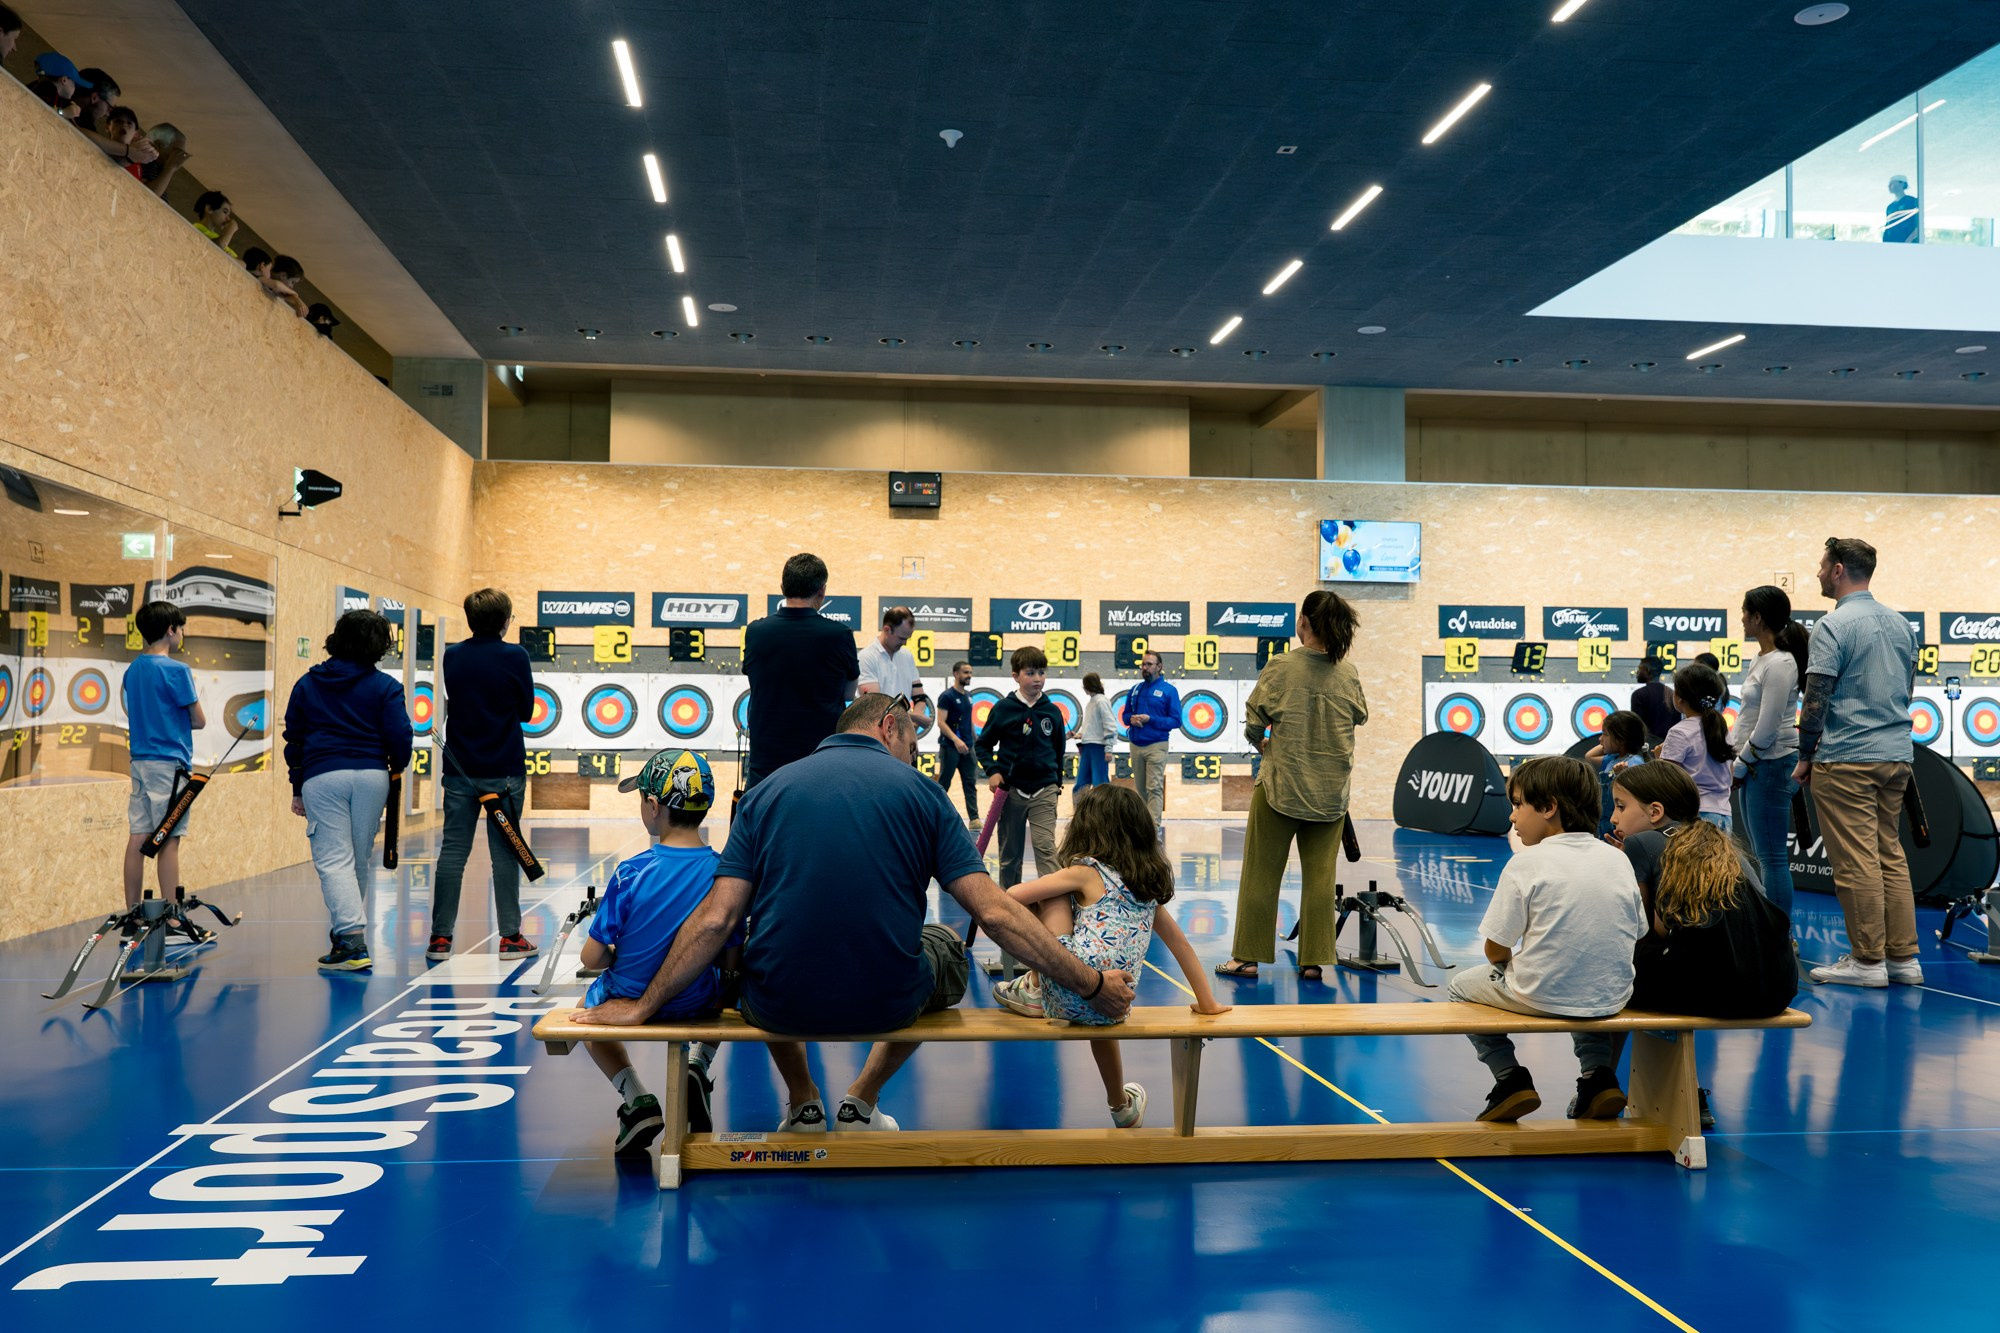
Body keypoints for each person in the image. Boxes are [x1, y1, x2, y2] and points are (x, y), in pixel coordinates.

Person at [574, 693, 1136, 1134]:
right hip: (887, 999)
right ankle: (861, 1100)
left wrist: (643, 1006)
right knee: (941, 944)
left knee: (759, 951)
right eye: (913, 745)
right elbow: (995, 914)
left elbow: (717, 921)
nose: (913, 759)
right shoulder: (923, 795)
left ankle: (802, 1100)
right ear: (888, 726)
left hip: (778, 1002)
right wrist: (1090, 985)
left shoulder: (766, 793)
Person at [991, 784, 1231, 1127]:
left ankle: (1033, 983)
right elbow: (1182, 947)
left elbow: (1013, 896)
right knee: (1101, 1013)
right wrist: (1207, 1003)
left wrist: (1056, 902)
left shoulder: (1086, 872)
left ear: (1088, 830)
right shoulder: (1147, 889)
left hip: (1064, 989)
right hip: (1114, 1004)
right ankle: (1121, 1106)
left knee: (1055, 895)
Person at [1447, 756, 1646, 1123]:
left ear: (1549, 808)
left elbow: (1495, 949)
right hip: (1612, 995)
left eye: (1518, 804)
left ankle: (1510, 1078)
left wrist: (1513, 967)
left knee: (1460, 986)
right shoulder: (1618, 860)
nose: (1512, 816)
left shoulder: (1526, 862)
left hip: (1540, 993)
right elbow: (1638, 931)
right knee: (1587, 981)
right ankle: (1598, 1077)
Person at [571, 749, 732, 1155]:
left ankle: (636, 1099)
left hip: (627, 998)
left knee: (586, 1006)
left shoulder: (631, 872)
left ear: (654, 806)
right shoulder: (723, 871)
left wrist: (618, 961)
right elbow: (730, 960)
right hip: (699, 1001)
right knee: (733, 986)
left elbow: (591, 958)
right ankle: (699, 1064)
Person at [1217, 590, 1368, 982]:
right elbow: (1360, 715)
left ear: (1303, 622)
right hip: (1330, 795)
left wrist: (1263, 743)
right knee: (1320, 881)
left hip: (1281, 788)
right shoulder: (1347, 672)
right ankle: (1314, 962)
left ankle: (1246, 958)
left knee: (1261, 875)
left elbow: (1254, 722)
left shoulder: (1281, 666)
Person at [1795, 537, 1921, 988]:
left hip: (1846, 757)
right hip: (1895, 756)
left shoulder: (1833, 626)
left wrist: (1806, 754)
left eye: (1821, 565)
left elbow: (1816, 699)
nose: (1816, 573)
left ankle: (1868, 962)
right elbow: (1906, 692)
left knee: (1856, 863)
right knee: (1890, 854)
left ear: (1838, 570)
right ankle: (1904, 959)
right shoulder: (1902, 625)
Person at [282, 610, 413, 974]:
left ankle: (351, 940)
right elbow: (400, 736)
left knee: (334, 860)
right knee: (355, 859)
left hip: (323, 777)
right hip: (372, 776)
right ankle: (347, 939)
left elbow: (295, 738)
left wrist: (297, 786)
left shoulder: (308, 683)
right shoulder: (385, 686)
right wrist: (396, 765)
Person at [430, 587, 538, 961]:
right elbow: (525, 711)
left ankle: (440, 939)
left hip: (460, 771)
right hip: (504, 772)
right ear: (506, 621)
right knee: (505, 854)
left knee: (453, 852)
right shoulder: (515, 655)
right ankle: (510, 938)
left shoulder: (453, 655)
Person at [1631, 818, 1797, 1020]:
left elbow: (1659, 929)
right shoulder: (1742, 883)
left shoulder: (1683, 876)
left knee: (1633, 961)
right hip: (1776, 996)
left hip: (1716, 995)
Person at [740, 552, 858, 789]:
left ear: (783, 587)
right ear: (822, 591)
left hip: (767, 765)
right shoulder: (839, 635)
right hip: (821, 762)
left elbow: (756, 682)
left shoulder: (756, 632)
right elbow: (847, 694)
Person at [120, 600, 206, 909]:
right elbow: (199, 719)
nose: (182, 634)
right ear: (170, 630)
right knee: (168, 839)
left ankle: (133, 914)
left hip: (140, 762)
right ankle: (171, 918)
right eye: (181, 628)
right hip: (169, 765)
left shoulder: (133, 670)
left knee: (139, 836)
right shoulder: (177, 670)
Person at [1732, 585, 1809, 916]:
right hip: (1755, 766)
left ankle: (1779, 933)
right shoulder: (1762, 657)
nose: (1742, 617)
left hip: (1771, 765)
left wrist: (1738, 765)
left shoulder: (1780, 663)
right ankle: (1773, 928)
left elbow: (1767, 726)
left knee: (1773, 857)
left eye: (1745, 612)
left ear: (1758, 617)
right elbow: (1747, 718)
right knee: (1763, 855)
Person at [976, 645, 1066, 893]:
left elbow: (1058, 748)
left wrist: (1056, 782)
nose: (1038, 679)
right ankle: (1010, 905)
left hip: (1045, 791)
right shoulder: (1003, 709)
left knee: (1046, 848)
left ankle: (1054, 903)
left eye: (1041, 673)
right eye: (1030, 673)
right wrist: (993, 771)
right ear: (1015, 676)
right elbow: (983, 745)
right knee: (1009, 855)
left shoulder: (1052, 711)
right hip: (1011, 792)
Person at [1658, 662, 1734, 831]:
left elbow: (1666, 781)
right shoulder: (1722, 730)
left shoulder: (1679, 731)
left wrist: (1658, 760)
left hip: (1694, 816)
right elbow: (1730, 774)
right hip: (1724, 815)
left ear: (1679, 698)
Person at [1121, 650, 1183, 834]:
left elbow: (1176, 721)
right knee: (1140, 789)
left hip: (1156, 745)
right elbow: (1125, 715)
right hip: (1136, 745)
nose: (1145, 668)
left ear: (1159, 666)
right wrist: (1131, 719)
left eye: (1149, 664)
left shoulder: (1169, 691)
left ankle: (1153, 829)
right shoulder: (1135, 690)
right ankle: (1141, 827)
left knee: (1154, 787)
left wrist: (1151, 719)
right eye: (1143, 664)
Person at [1583, 708, 1648, 836]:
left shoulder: (1633, 763)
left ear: (1621, 739)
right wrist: (1609, 743)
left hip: (1618, 826)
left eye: (1605, 734)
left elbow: (1634, 796)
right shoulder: (1612, 758)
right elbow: (1589, 756)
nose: (1600, 739)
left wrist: (1621, 775)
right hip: (1606, 824)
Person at [932, 659, 979, 823]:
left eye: (971, 673)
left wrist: (975, 738)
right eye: (966, 672)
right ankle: (934, 815)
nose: (969, 676)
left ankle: (974, 819)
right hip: (951, 747)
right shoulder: (947, 696)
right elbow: (941, 722)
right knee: (944, 782)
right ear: (956, 674)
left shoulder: (968, 696)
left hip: (968, 747)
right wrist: (956, 740)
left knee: (970, 784)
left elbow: (968, 719)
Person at [1072, 671, 1114, 797]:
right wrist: (1082, 734)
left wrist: (1109, 749)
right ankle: (1080, 814)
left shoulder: (1101, 701)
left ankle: (1103, 815)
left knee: (1100, 785)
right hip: (1088, 746)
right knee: (1081, 785)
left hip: (1098, 747)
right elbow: (1094, 725)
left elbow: (1110, 725)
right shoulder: (1092, 702)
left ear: (1088, 686)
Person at [1629, 655, 1679, 741]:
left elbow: (1636, 726)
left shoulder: (1639, 694)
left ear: (1647, 671)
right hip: (1668, 745)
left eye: (1640, 669)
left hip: (1647, 746)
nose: (1637, 672)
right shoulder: (1671, 693)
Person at [140, 123, 190, 198]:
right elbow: (147, 195)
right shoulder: (145, 160)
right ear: (159, 145)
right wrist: (170, 168)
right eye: (177, 152)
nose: (180, 158)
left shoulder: (159, 170)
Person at [191, 190, 239, 256]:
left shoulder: (217, 237)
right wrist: (231, 230)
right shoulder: (195, 229)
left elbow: (244, 265)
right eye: (225, 212)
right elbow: (216, 247)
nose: (228, 219)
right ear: (209, 209)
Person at [1884, 175, 1919, 244]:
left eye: (1893, 183)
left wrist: (1909, 241)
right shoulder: (1890, 207)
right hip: (1892, 243)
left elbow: (1918, 224)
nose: (1889, 186)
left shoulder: (1912, 202)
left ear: (1902, 184)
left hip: (1907, 243)